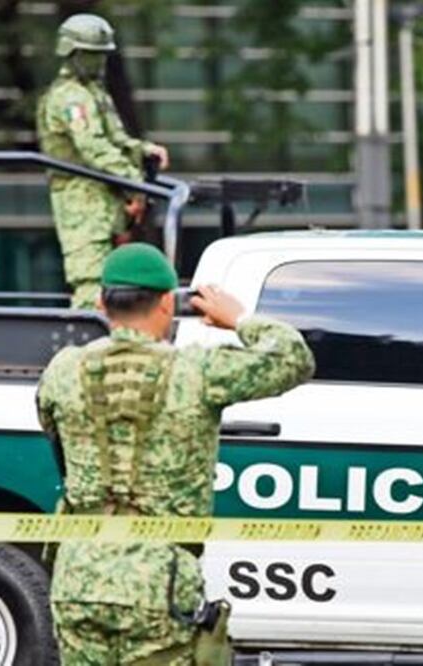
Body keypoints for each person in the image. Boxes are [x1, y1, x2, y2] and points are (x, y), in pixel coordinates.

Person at [36, 243, 314, 664]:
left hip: (78, 577)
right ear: (167, 302)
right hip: (159, 580)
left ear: (101, 303)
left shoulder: (63, 368)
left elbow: (51, 428)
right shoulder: (196, 371)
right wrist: (238, 318)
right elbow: (293, 356)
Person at [36, 13, 170, 309]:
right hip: (81, 201)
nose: (99, 63)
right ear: (71, 53)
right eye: (91, 56)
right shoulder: (70, 97)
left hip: (105, 198)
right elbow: (93, 147)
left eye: (101, 56)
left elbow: (116, 140)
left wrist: (143, 150)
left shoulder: (94, 93)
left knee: (114, 283)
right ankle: (87, 342)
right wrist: (134, 183)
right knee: (90, 283)